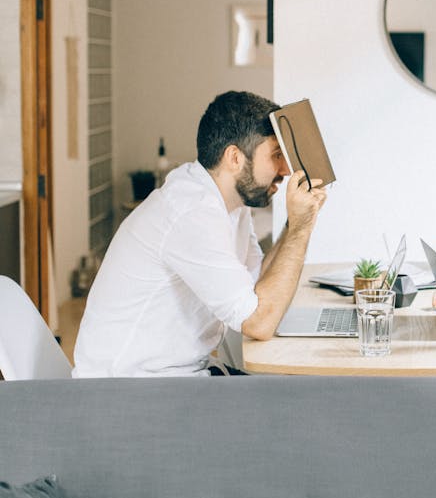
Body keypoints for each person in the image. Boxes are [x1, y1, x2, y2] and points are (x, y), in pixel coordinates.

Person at [73, 90, 327, 378]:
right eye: (276, 155)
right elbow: (259, 322)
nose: (284, 170)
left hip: (174, 378)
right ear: (234, 158)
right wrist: (301, 227)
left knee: (291, 396)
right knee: (295, 400)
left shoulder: (230, 205)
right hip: (129, 393)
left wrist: (297, 222)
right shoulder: (191, 212)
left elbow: (259, 285)